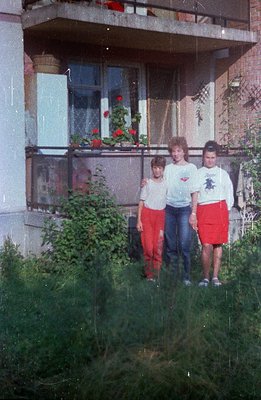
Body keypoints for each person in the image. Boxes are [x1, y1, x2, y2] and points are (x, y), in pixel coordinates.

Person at [195, 141, 234, 287]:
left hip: (220, 210)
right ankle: (205, 277)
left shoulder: (222, 173)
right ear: (203, 157)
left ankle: (215, 277)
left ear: (216, 157)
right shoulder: (198, 173)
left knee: (218, 244)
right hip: (204, 210)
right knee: (206, 244)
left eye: (212, 157)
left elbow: (229, 193)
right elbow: (193, 194)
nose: (210, 160)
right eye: (207, 157)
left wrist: (226, 210)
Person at [164, 137, 198, 285]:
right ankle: (172, 275)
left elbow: (195, 192)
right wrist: (147, 182)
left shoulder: (191, 168)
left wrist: (193, 213)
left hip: (185, 209)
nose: (175, 154)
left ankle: (186, 277)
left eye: (178, 151)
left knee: (184, 244)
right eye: (173, 151)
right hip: (169, 209)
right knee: (171, 244)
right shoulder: (168, 169)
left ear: (184, 151)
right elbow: (160, 185)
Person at [136, 156, 168, 281]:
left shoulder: (166, 183)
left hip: (160, 216)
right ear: (152, 168)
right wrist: (139, 220)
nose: (157, 171)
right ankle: (149, 276)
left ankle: (157, 274)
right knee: (148, 247)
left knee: (158, 247)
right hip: (147, 215)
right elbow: (141, 202)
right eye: (155, 168)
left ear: (163, 169)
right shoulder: (147, 183)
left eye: (160, 168)